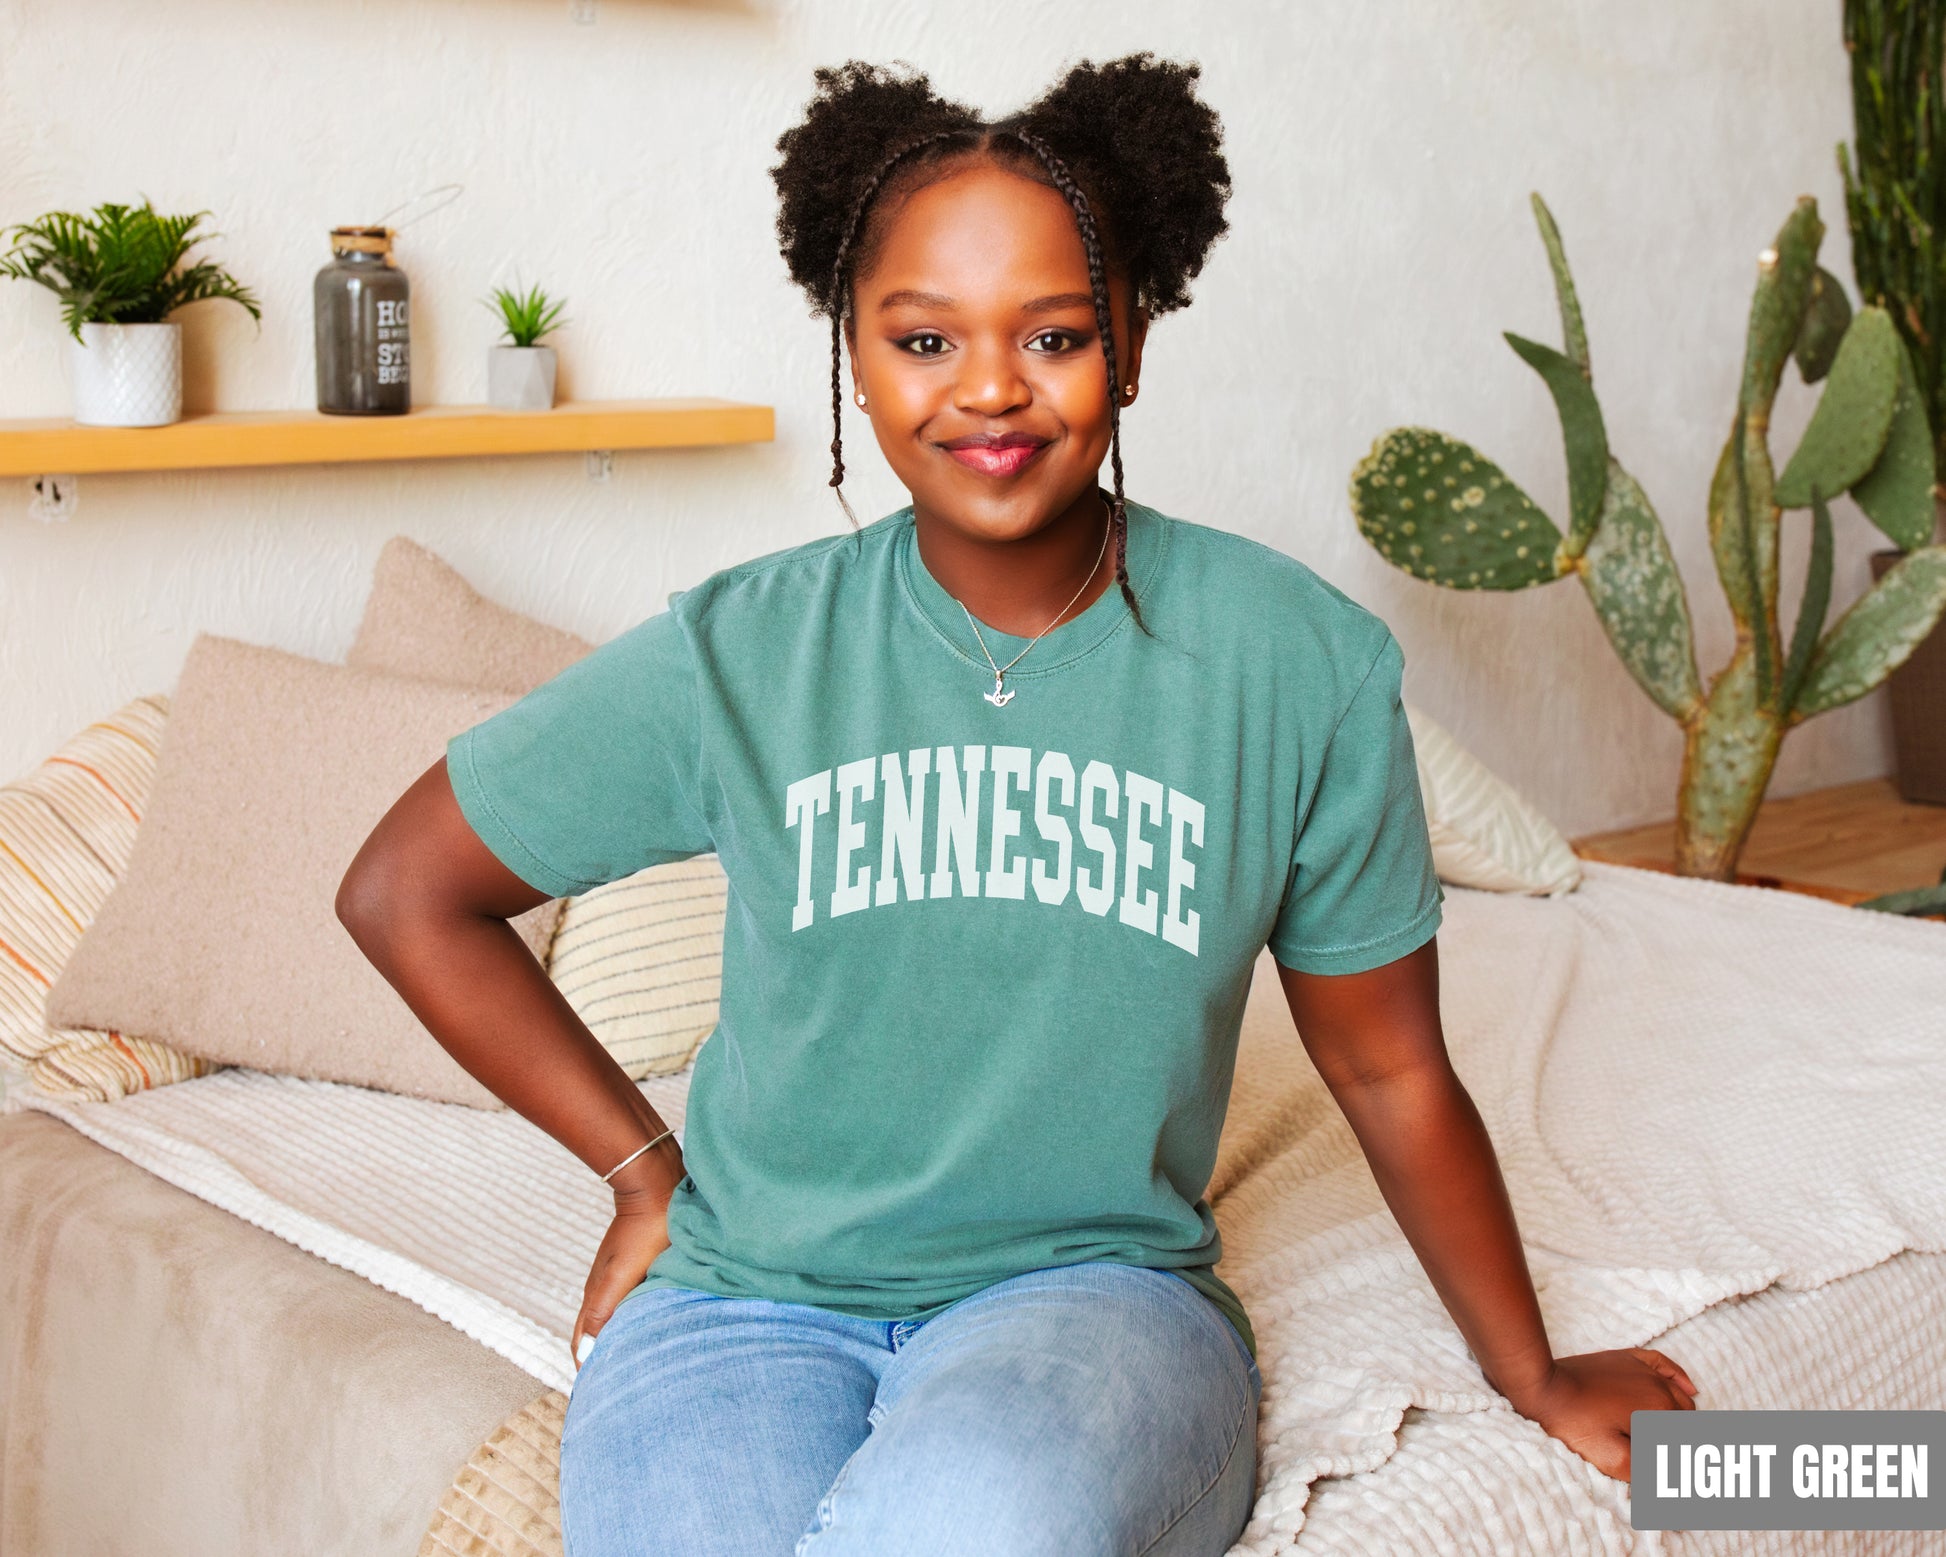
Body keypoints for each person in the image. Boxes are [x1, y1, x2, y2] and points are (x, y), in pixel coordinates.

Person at [337, 53, 1697, 1557]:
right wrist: (640, 1174)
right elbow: (405, 889)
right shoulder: (743, 652)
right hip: (739, 1303)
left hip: (1093, 1307)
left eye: (1052, 333)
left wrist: (1529, 1366)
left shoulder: (1293, 663)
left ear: (1132, 337)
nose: (988, 386)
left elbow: (1385, 1070)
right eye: (923, 337)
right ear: (852, 352)